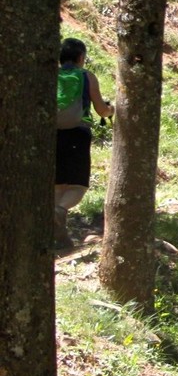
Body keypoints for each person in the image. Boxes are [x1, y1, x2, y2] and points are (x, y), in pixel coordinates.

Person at [54, 38, 114, 247]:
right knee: (78, 186)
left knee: (58, 185)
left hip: (52, 135)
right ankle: (59, 211)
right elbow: (101, 110)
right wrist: (111, 110)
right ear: (81, 57)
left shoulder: (51, 75)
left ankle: (59, 236)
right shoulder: (86, 76)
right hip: (78, 133)